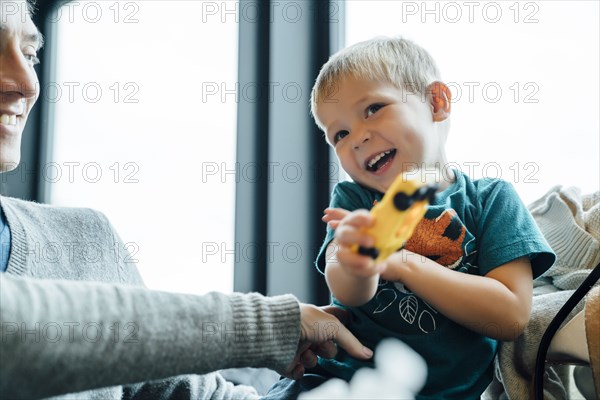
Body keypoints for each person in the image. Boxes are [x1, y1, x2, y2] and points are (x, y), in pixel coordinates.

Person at [0, 1, 374, 399]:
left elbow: (184, 393)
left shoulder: (88, 239)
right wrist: (267, 326)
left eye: (29, 54)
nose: (25, 82)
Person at [264, 37, 556, 399]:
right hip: (336, 380)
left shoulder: (490, 200)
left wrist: (403, 264)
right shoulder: (355, 200)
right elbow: (346, 290)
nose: (356, 138)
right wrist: (359, 263)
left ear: (436, 102)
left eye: (372, 109)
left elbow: (510, 315)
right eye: (339, 133)